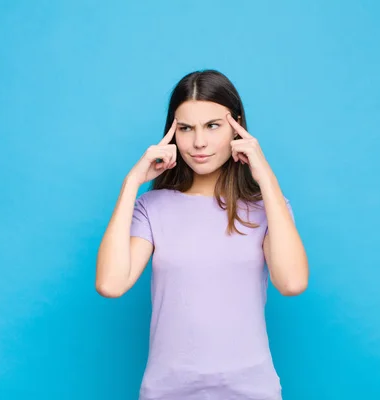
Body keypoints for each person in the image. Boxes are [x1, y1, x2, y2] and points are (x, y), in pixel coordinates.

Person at [95, 69, 309, 400]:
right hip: (168, 391)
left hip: (251, 391)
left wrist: (265, 177)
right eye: (185, 128)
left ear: (236, 127)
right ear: (172, 133)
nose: (199, 142)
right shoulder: (152, 208)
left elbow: (292, 283)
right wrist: (131, 184)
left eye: (213, 126)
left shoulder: (269, 209)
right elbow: (111, 284)